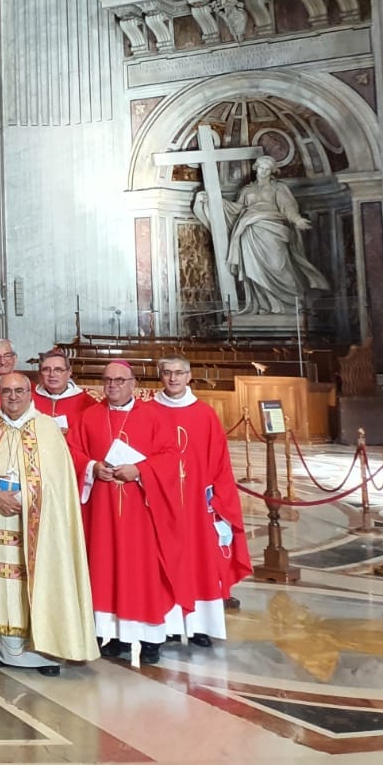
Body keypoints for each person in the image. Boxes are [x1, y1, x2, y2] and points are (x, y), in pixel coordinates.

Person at [0, 372, 98, 674]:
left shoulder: (47, 429)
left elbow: (58, 484)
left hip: (36, 527)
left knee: (35, 579)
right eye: (6, 391)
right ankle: (2, 645)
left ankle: (45, 647)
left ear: (30, 393)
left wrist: (26, 499)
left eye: (19, 391)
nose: (13, 397)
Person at [69, 359, 189, 664]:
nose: (113, 386)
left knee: (142, 572)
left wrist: (139, 470)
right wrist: (92, 467)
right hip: (102, 511)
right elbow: (73, 451)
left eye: (120, 380)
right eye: (108, 380)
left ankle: (150, 640)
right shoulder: (89, 417)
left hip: (141, 513)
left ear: (133, 383)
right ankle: (112, 635)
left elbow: (171, 455)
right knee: (103, 567)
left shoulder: (152, 416)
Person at [153, 356, 251, 646]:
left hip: (198, 506)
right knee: (164, 562)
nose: (173, 378)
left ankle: (199, 627)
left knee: (199, 562)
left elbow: (220, 462)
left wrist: (219, 502)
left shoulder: (205, 414)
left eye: (179, 373)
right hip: (161, 502)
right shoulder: (148, 412)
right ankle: (167, 625)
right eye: (167, 373)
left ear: (189, 376)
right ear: (160, 376)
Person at [196, 154, 331, 314]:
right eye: (261, 167)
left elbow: (288, 207)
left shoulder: (278, 188)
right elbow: (236, 210)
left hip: (273, 230)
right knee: (254, 269)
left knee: (279, 265)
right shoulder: (247, 190)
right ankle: (264, 304)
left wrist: (297, 220)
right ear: (256, 168)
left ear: (272, 171)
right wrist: (211, 201)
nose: (263, 171)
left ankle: (293, 302)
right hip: (250, 232)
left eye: (267, 169)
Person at [32, 348, 94, 434]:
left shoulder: (87, 402)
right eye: (46, 369)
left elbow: (91, 434)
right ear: (39, 373)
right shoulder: (28, 399)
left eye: (58, 370)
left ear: (69, 372)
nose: (52, 374)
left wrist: (71, 435)